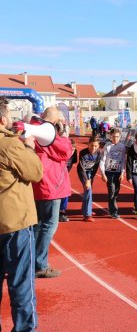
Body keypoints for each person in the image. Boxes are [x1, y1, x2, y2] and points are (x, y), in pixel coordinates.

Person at [0, 99, 52, 332]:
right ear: (2, 119)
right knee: (21, 281)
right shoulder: (10, 144)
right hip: (14, 223)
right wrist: (29, 148)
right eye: (8, 114)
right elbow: (35, 173)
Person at [31, 107, 73, 279]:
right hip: (50, 186)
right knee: (48, 225)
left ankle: (30, 261)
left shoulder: (32, 130)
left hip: (37, 185)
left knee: (36, 226)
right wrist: (62, 134)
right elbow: (66, 150)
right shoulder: (48, 134)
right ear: (54, 122)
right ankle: (40, 264)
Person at [99, 128, 127, 219]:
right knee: (111, 191)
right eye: (114, 137)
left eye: (117, 137)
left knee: (116, 192)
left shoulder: (122, 146)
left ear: (120, 137)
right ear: (110, 136)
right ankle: (113, 211)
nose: (115, 139)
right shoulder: (107, 146)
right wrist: (103, 173)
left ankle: (111, 205)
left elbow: (123, 160)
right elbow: (102, 160)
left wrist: (122, 172)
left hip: (118, 172)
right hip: (109, 172)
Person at [77, 136, 101, 222]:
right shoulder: (83, 153)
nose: (93, 148)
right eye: (91, 146)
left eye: (95, 146)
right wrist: (86, 180)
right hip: (82, 172)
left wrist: (91, 178)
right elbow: (81, 167)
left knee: (88, 191)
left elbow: (95, 167)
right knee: (88, 189)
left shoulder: (98, 154)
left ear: (98, 146)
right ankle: (87, 215)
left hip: (90, 173)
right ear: (88, 144)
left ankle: (86, 209)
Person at [59, 138, 78, 222]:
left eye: (73, 149)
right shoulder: (61, 153)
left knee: (66, 193)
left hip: (65, 174)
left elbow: (71, 164)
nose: (71, 151)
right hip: (57, 175)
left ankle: (62, 212)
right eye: (70, 149)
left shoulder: (74, 154)